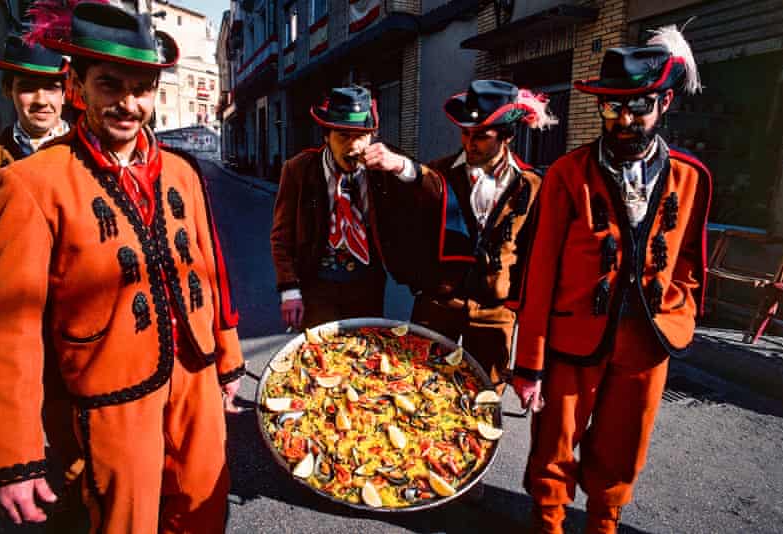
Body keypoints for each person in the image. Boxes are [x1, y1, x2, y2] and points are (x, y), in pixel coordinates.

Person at [0, 4, 244, 532]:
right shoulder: (32, 183)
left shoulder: (182, 170)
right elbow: (10, 326)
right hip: (111, 396)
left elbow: (209, 269)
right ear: (76, 86)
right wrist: (14, 453)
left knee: (204, 507)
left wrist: (227, 357)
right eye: (110, 85)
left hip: (195, 377)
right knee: (127, 521)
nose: (129, 103)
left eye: (142, 88)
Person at [510, 26, 711, 533]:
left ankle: (604, 523)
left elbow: (688, 255)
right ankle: (549, 523)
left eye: (637, 107)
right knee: (554, 443)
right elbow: (540, 271)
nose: (623, 120)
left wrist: (678, 309)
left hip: (646, 339)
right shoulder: (566, 173)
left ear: (664, 102)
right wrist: (530, 366)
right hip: (573, 337)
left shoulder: (690, 177)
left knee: (625, 445)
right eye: (611, 108)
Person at [411, 80, 555, 389]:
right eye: (465, 133)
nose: (469, 143)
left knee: (484, 398)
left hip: (494, 312)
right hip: (438, 304)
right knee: (421, 389)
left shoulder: (531, 185)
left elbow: (533, 255)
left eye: (481, 136)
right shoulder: (437, 173)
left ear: (506, 136)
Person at [271, 85, 440, 329]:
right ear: (326, 136)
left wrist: (402, 167)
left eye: (360, 136)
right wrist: (289, 289)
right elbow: (281, 237)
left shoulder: (386, 164)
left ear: (372, 137)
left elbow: (437, 195)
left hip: (368, 284)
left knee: (360, 356)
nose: (352, 147)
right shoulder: (298, 169)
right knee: (321, 358)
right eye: (343, 136)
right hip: (317, 286)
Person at [0, 34, 70, 337]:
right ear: (7, 90)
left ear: (65, 93)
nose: (41, 100)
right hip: (16, 312)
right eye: (27, 87)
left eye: (51, 87)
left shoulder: (85, 152)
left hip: (76, 311)